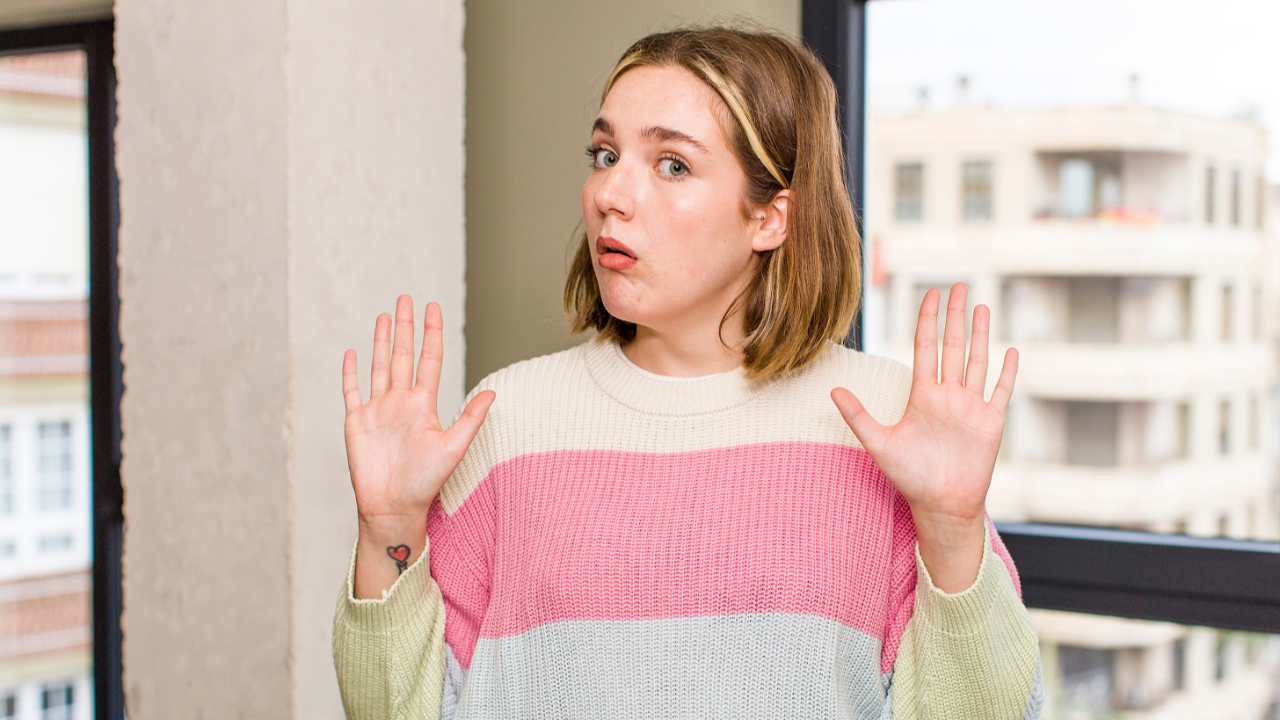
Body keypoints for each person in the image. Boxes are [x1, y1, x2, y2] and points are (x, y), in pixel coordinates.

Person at [333, 26, 1043, 720]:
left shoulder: (888, 421)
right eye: (605, 153)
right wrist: (389, 530)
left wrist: (952, 533)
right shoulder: (505, 420)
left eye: (672, 165)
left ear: (771, 218)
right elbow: (397, 709)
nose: (611, 193)